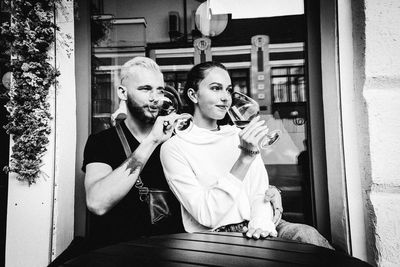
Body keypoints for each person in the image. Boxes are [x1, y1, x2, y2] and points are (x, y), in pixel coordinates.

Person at [160, 61, 333, 248]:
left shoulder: (239, 135)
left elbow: (260, 191)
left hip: (258, 224)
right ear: (193, 95)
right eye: (216, 88)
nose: (225, 97)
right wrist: (245, 158)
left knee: (307, 235)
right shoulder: (175, 147)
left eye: (228, 90)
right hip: (215, 237)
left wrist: (261, 224)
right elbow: (206, 215)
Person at [82, 56, 184, 248]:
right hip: (117, 252)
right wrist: (151, 141)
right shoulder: (101, 142)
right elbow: (96, 203)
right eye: (145, 89)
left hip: (171, 251)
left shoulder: (177, 141)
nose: (155, 98)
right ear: (123, 92)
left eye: (159, 90)